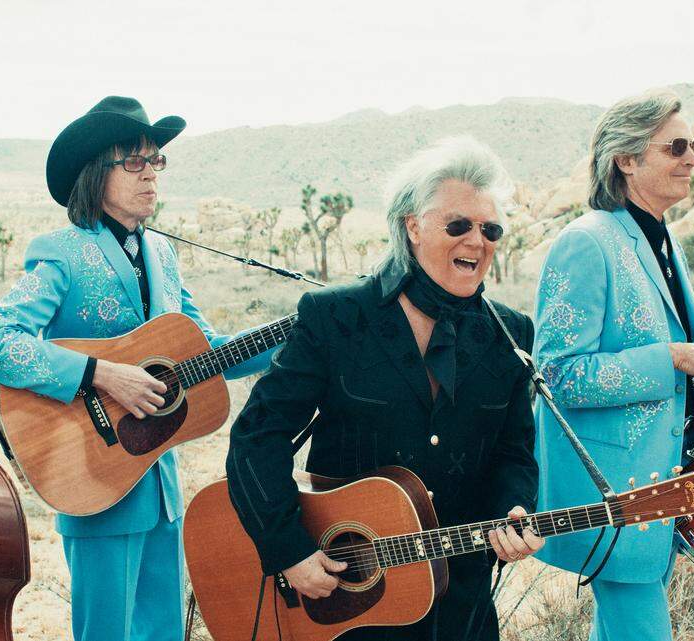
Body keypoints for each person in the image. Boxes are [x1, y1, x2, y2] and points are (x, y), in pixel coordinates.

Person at [0, 95, 276, 641]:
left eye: (155, 160)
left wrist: (294, 336)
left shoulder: (162, 254)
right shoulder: (61, 253)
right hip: (91, 476)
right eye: (134, 161)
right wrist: (101, 374)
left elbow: (205, 351)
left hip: (159, 484)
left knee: (162, 632)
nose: (151, 174)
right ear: (96, 172)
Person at [226, 137, 543, 641]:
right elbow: (255, 440)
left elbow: (515, 453)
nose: (476, 241)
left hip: (461, 604)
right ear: (412, 226)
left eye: (491, 229)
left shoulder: (511, 335)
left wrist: (514, 508)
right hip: (347, 601)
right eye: (457, 225)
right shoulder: (334, 317)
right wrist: (289, 551)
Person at [532, 90, 694, 641]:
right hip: (618, 493)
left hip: (672, 481)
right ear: (626, 159)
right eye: (676, 146)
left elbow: (679, 378)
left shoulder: (663, 239)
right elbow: (556, 377)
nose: (693, 157)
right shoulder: (585, 242)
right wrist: (673, 358)